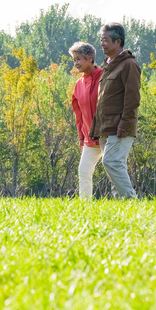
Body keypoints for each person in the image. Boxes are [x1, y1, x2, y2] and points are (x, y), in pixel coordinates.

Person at [88, 22, 139, 199]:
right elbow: (102, 100)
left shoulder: (129, 65)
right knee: (114, 166)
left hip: (120, 126)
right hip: (105, 126)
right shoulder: (108, 65)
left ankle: (131, 200)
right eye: (101, 40)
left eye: (106, 40)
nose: (102, 43)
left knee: (111, 162)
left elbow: (132, 99)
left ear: (118, 42)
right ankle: (122, 205)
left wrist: (125, 124)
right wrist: (95, 127)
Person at [69, 41, 103, 200]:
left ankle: (124, 202)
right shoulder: (78, 85)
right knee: (83, 172)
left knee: (114, 170)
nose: (76, 63)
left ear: (90, 58)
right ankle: (85, 205)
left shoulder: (105, 77)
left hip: (107, 135)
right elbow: (79, 115)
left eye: (78, 59)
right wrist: (81, 138)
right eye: (74, 60)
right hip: (90, 138)